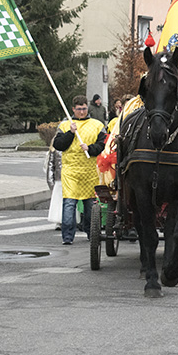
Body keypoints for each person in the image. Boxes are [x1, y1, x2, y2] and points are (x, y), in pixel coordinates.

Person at [52, 95, 106, 245]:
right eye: (79, 109)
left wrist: (90, 148)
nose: (82, 112)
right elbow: (58, 145)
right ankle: (68, 236)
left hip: (90, 171)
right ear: (73, 109)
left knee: (90, 204)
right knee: (69, 203)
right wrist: (70, 133)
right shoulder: (65, 125)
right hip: (71, 170)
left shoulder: (96, 124)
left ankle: (91, 233)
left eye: (84, 109)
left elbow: (103, 144)